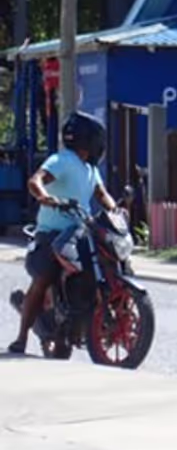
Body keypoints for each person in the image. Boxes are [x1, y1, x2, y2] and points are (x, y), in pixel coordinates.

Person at [6, 111, 118, 355]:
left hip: (80, 232)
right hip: (51, 233)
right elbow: (36, 180)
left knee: (108, 259)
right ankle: (22, 337)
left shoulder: (90, 169)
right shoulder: (62, 160)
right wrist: (45, 197)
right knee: (44, 276)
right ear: (89, 140)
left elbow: (102, 194)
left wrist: (115, 209)